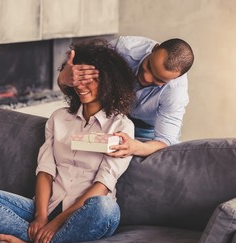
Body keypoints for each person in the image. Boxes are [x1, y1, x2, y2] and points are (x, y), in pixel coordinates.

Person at [0, 39, 136, 243]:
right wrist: (41, 217)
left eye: (90, 80)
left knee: (105, 208)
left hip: (86, 213)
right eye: (77, 79)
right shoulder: (59, 118)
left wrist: (55, 224)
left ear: (107, 82)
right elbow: (45, 171)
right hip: (50, 204)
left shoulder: (121, 125)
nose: (80, 85)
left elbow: (103, 186)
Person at [57, 36, 194, 157]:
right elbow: (84, 89)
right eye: (149, 66)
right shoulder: (123, 48)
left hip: (147, 131)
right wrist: (64, 78)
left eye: (158, 80)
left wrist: (136, 147)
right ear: (154, 49)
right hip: (110, 115)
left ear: (175, 78)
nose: (146, 78)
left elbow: (166, 141)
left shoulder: (176, 93)